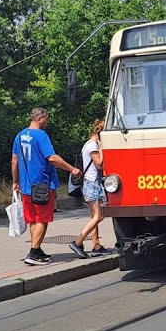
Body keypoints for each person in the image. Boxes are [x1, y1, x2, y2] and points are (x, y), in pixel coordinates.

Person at [11, 107, 80, 266]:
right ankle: (34, 252)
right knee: (42, 219)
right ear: (40, 118)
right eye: (46, 119)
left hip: (26, 186)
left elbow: (14, 161)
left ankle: (37, 249)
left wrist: (15, 181)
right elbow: (52, 158)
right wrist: (72, 169)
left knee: (33, 220)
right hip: (42, 185)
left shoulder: (20, 135)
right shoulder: (41, 135)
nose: (47, 122)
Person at [69, 120, 110, 258]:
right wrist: (102, 148)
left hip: (90, 183)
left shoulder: (88, 144)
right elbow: (99, 164)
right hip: (93, 184)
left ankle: (96, 246)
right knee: (99, 216)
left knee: (94, 216)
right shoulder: (93, 145)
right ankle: (78, 242)